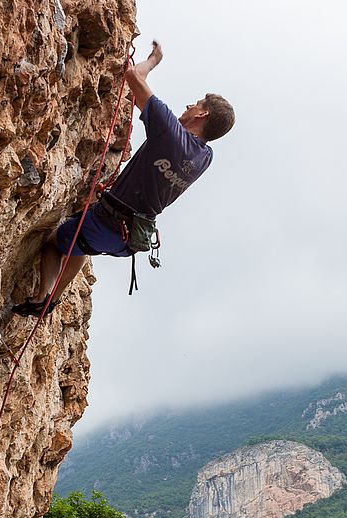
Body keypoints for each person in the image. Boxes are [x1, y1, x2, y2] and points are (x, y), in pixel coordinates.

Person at [12, 41, 235, 316]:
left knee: (54, 242)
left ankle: (42, 295)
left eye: (197, 104)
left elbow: (133, 76)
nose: (190, 104)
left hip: (108, 222)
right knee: (80, 245)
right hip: (130, 240)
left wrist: (153, 60)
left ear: (203, 114)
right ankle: (51, 302)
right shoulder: (204, 158)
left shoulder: (170, 132)